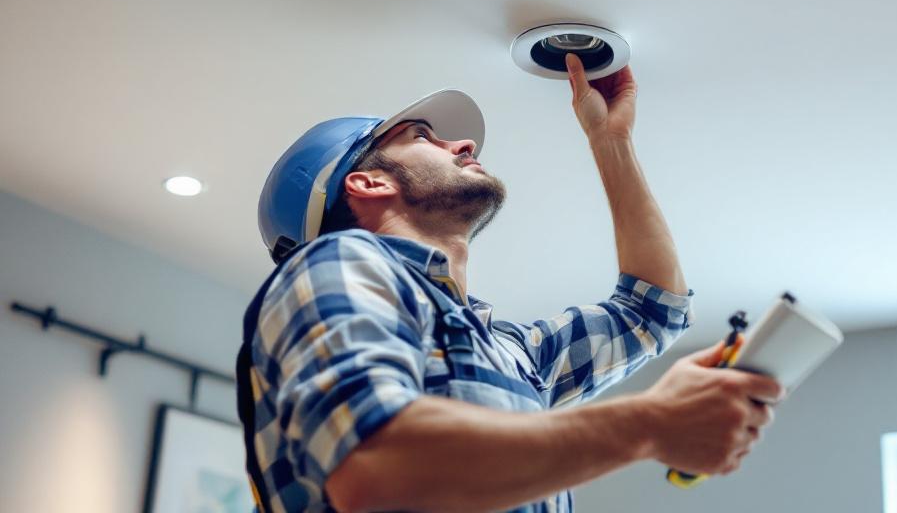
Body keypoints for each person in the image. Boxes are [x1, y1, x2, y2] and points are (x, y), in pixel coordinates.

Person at [237, 53, 783, 513]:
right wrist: (650, 424)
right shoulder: (337, 262)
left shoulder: (509, 352)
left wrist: (610, 141)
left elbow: (652, 312)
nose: (464, 146)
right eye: (423, 137)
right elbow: (376, 464)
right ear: (368, 181)